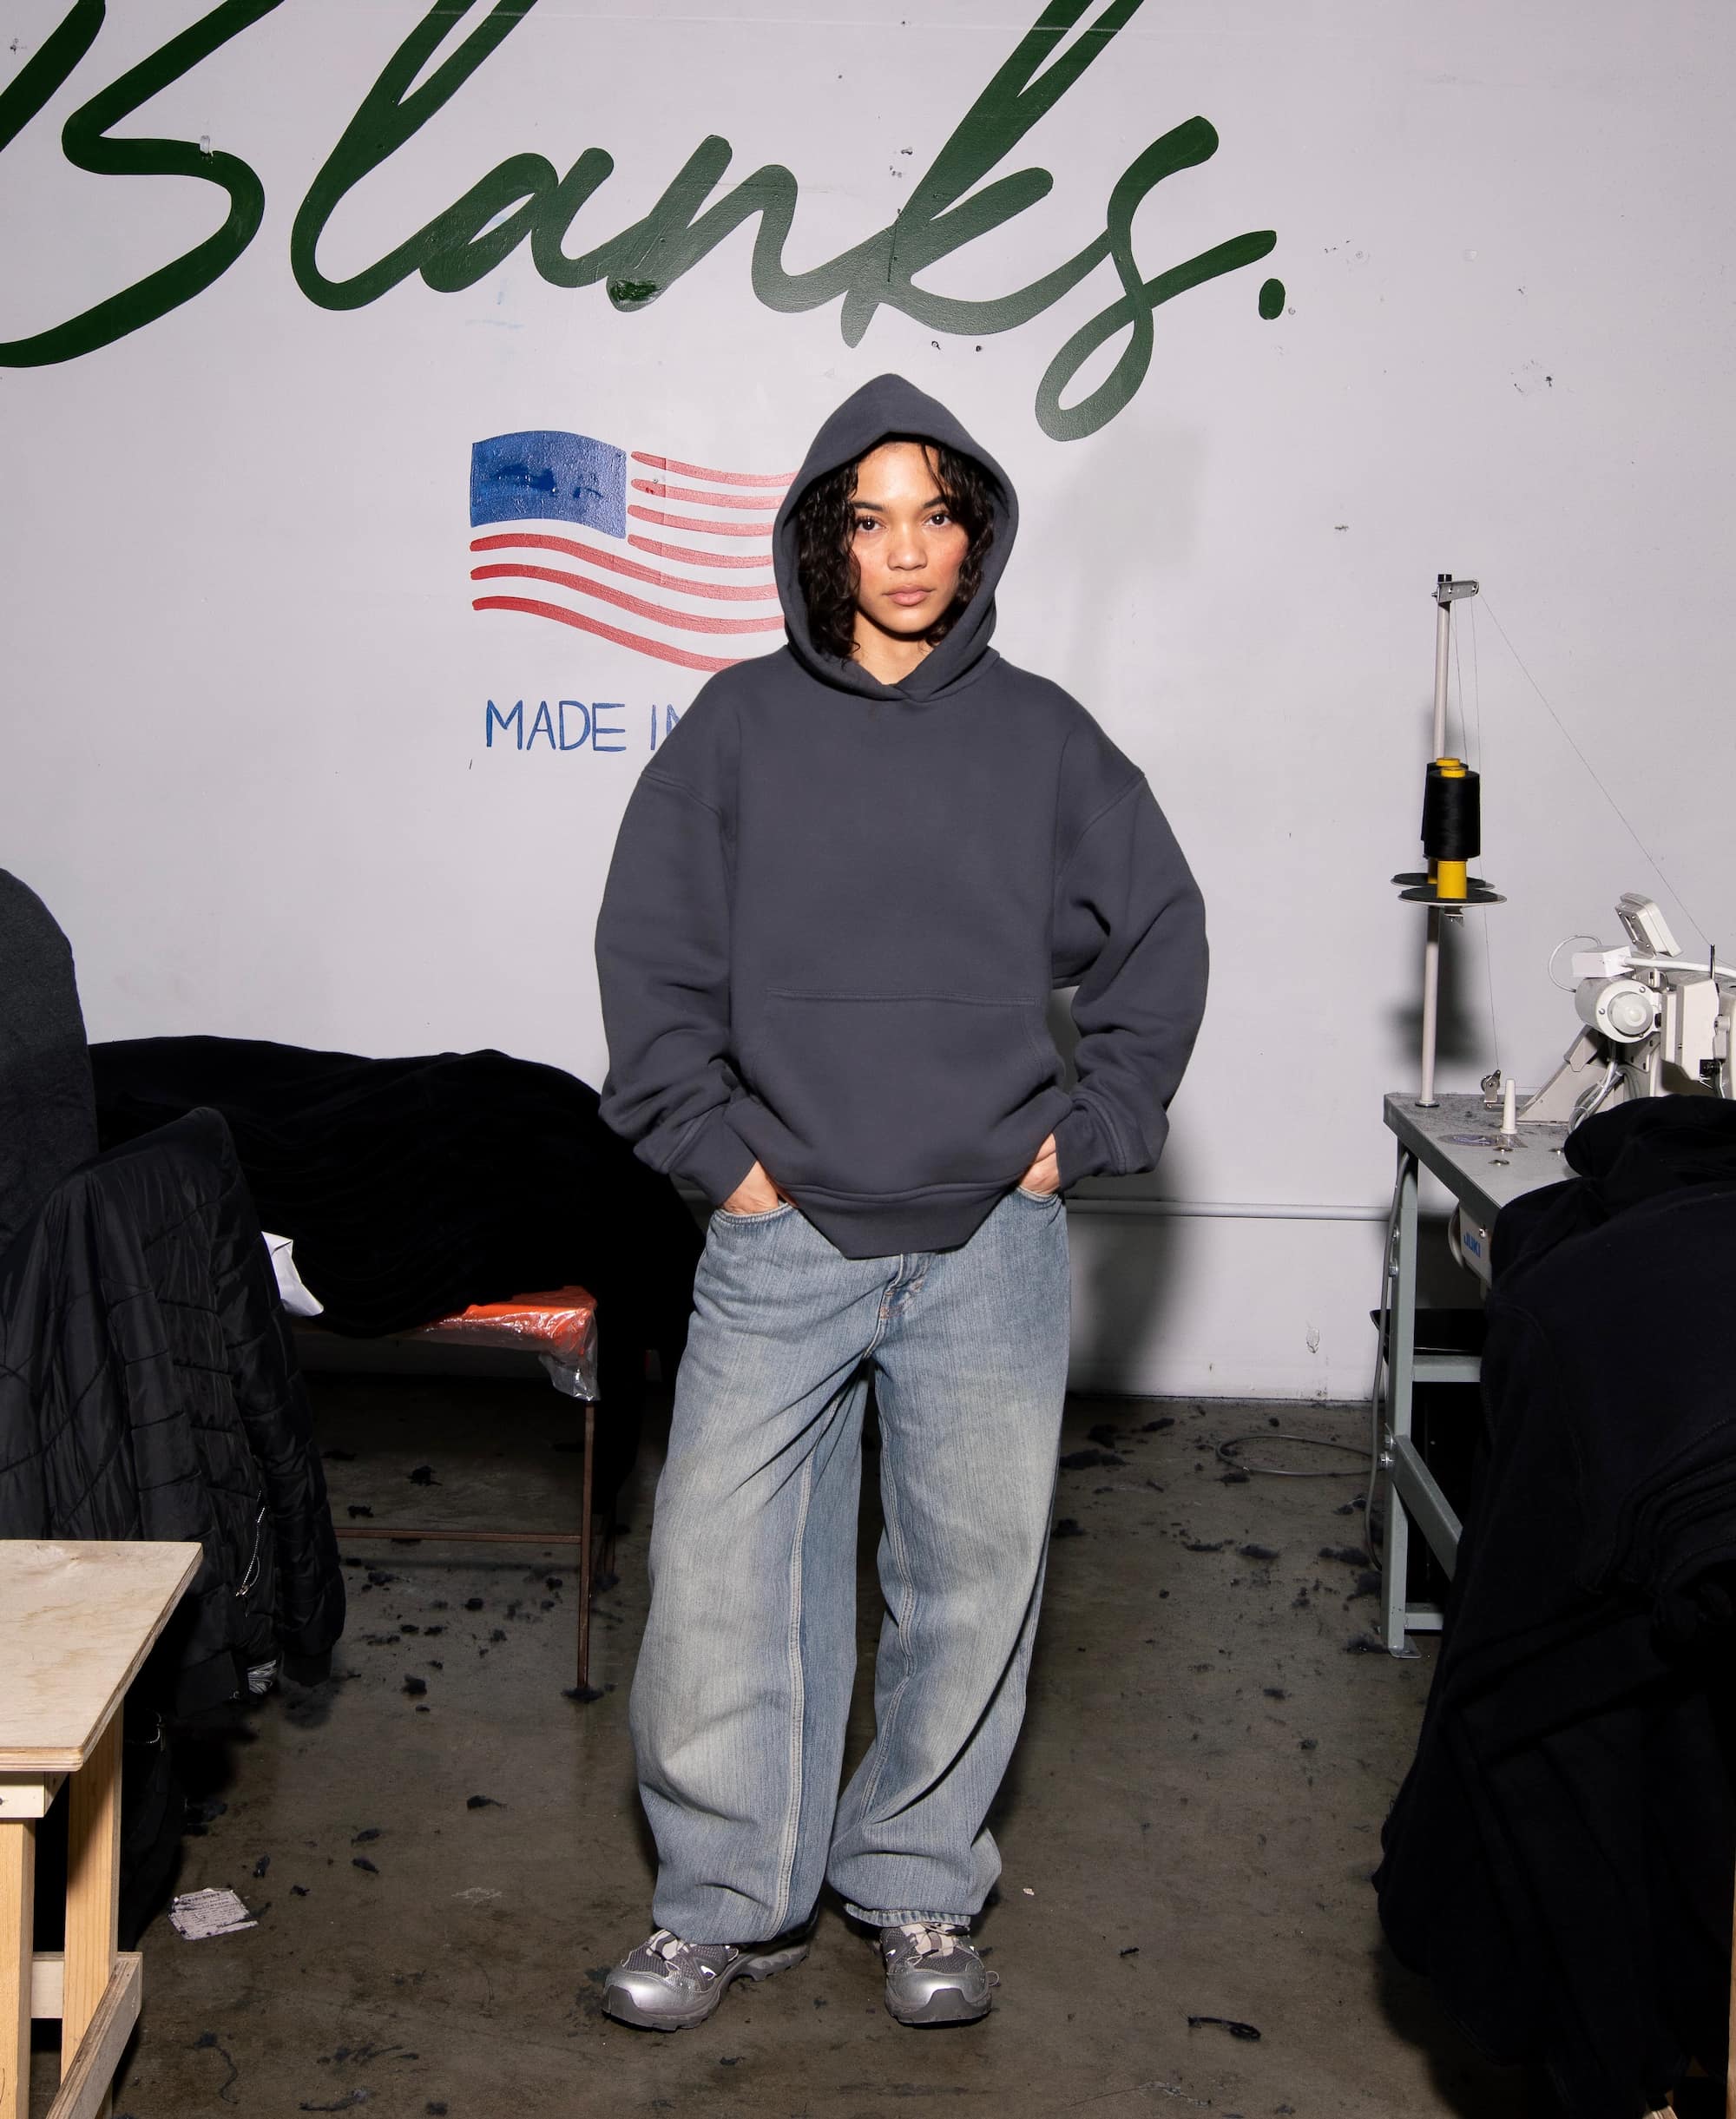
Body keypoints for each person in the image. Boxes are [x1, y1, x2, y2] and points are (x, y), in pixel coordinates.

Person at [592, 372, 1207, 2030]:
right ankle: (721, 1900)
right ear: (826, 542)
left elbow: (1160, 932)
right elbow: (651, 961)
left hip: (989, 1238)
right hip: (780, 1231)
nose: (910, 550)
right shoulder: (736, 728)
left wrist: (1091, 1127)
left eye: (938, 514)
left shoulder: (1045, 737)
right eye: (872, 520)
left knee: (973, 1584)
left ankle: (922, 1883)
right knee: (718, 1580)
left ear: (977, 531)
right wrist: (722, 1160)